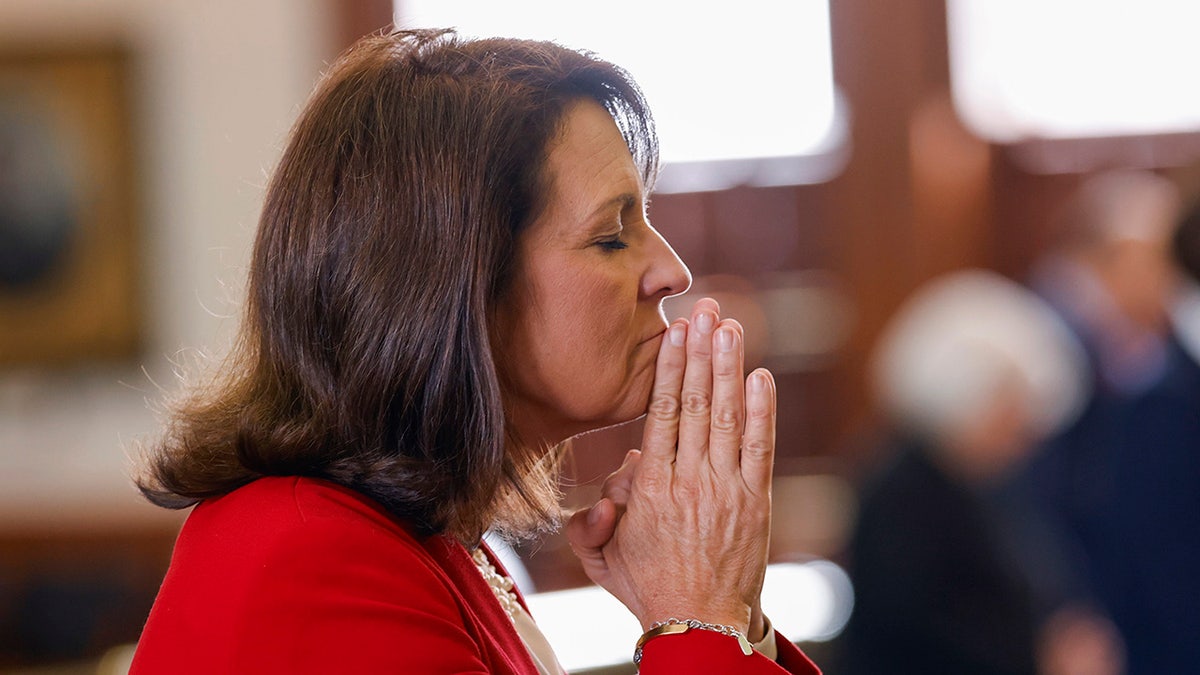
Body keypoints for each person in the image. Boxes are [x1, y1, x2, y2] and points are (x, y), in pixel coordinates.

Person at [127, 28, 820, 675]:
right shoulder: (306, 554)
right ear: (454, 283)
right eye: (612, 234)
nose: (672, 270)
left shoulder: (448, 542)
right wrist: (698, 616)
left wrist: (724, 607)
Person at [837, 269, 1122, 675]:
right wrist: (1038, 658)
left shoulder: (984, 482)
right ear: (964, 400)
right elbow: (920, 628)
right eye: (1009, 411)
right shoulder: (900, 493)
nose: (1023, 433)